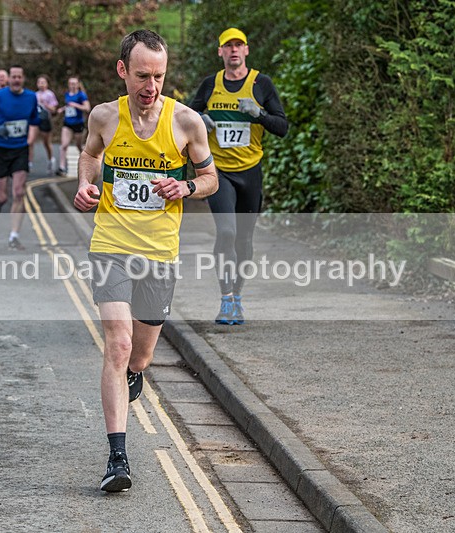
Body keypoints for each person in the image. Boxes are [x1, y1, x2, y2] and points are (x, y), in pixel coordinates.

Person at [74, 29, 217, 492]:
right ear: (123, 71)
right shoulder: (104, 117)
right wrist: (85, 185)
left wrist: (188, 187)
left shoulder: (187, 123)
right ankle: (118, 457)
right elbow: (90, 155)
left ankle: (135, 372)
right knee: (116, 344)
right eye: (141, 75)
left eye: (158, 76)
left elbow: (211, 176)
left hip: (159, 252)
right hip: (111, 244)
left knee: (141, 354)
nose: (150, 85)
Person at [189, 27, 288, 325]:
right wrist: (199, 120)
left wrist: (258, 113)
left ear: (246, 50)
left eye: (238, 45)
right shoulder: (210, 85)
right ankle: (225, 299)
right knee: (227, 232)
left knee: (244, 238)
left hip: (250, 173)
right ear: (220, 52)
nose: (233, 50)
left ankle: (238, 296)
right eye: (227, 46)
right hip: (218, 174)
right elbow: (184, 119)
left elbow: (282, 127)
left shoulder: (261, 83)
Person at [0, 65, 40, 250]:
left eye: (19, 77)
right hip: (0, 149)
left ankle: (14, 236)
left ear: (23, 79)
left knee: (19, 192)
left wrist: (31, 138)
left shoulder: (31, 97)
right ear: (9, 79)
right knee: (2, 196)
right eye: (13, 76)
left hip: (20, 149)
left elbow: (34, 120)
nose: (16, 80)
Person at [55, 76, 90, 176]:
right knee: (64, 145)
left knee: (79, 146)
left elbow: (87, 108)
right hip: (67, 123)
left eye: (74, 84)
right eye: (70, 83)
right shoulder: (67, 94)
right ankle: (61, 167)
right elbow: (69, 105)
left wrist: (76, 105)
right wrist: (62, 109)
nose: (72, 86)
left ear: (78, 84)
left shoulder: (81, 95)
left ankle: (86, 163)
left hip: (78, 124)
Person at [35, 74, 59, 176]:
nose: (41, 85)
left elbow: (54, 109)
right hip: (36, 119)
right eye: (39, 82)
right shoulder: (34, 95)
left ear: (47, 84)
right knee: (29, 141)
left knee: (46, 143)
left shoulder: (50, 94)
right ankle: (29, 163)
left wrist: (45, 104)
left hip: (45, 119)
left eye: (43, 82)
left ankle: (51, 160)